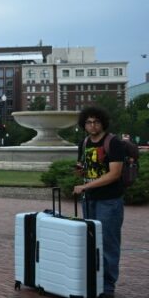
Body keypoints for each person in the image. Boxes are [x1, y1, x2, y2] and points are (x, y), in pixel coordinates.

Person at [72, 106, 124, 298]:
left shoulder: (113, 142)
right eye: (88, 122)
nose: (92, 125)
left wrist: (86, 186)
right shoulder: (84, 143)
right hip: (89, 200)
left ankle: (107, 287)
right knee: (91, 242)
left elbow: (115, 174)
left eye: (96, 122)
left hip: (109, 201)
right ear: (84, 124)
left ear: (102, 123)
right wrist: (80, 171)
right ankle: (93, 281)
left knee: (108, 244)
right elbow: (82, 167)